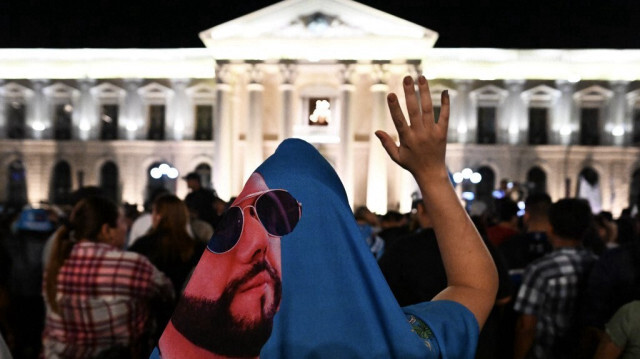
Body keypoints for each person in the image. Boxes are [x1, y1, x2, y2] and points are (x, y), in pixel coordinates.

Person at [153, 75, 498, 358]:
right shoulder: (402, 344)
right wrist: (432, 173)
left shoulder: (184, 352)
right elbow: (474, 286)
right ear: (345, 234)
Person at [42, 196, 174, 359]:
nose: (125, 227)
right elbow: (168, 293)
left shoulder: (56, 263)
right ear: (106, 230)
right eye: (121, 222)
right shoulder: (132, 264)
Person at [513, 198, 598, 359]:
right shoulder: (597, 263)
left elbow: (526, 326)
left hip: (546, 351)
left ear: (550, 228)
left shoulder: (541, 269)